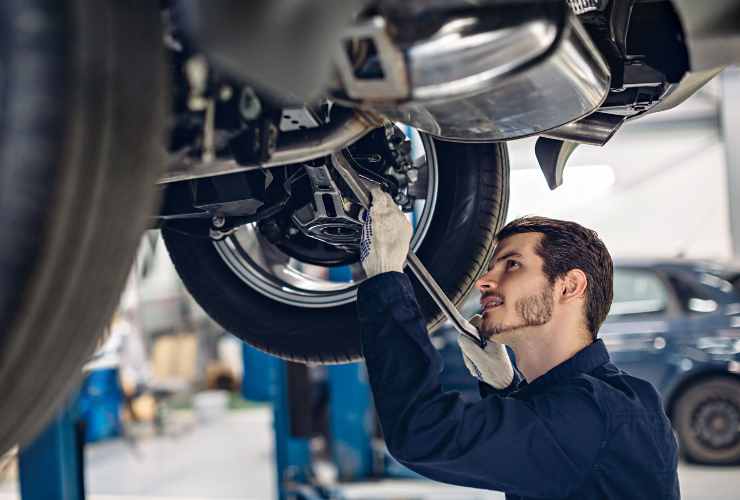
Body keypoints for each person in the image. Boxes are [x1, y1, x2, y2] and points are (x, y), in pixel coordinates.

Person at [356, 186, 680, 500]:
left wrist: (387, 279)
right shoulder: (610, 400)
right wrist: (507, 387)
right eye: (491, 267)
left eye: (512, 264)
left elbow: (423, 434)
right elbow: (544, 439)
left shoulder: (595, 412)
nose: (484, 281)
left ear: (569, 286)